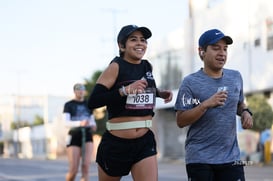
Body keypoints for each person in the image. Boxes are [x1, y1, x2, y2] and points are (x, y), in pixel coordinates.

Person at [87, 24, 173, 181]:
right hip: (116, 144)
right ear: (122, 46)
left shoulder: (147, 66)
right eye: (134, 40)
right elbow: (93, 101)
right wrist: (124, 91)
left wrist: (159, 93)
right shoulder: (116, 66)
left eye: (143, 40)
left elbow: (142, 89)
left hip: (144, 141)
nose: (140, 43)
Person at [174, 29, 253, 181]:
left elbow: (239, 103)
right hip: (200, 159)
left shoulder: (235, 77)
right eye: (216, 48)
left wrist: (245, 112)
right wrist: (205, 105)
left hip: (231, 157)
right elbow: (181, 120)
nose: (222, 53)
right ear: (201, 51)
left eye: (225, 49)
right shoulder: (190, 82)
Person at [63, 83, 97, 181]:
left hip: (87, 135)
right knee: (74, 169)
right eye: (78, 90)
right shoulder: (69, 105)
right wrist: (80, 123)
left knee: (86, 167)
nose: (81, 91)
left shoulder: (88, 104)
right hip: (74, 135)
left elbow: (92, 120)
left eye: (82, 89)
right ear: (74, 91)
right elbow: (66, 123)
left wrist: (93, 125)